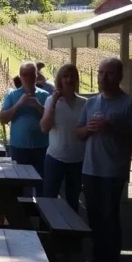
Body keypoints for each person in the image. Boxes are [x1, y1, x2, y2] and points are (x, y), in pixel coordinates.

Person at [75, 58, 132, 262]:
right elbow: (79, 133)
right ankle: (97, 258)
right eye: (101, 73)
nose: (104, 78)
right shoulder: (91, 103)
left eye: (110, 73)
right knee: (93, 216)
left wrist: (112, 129)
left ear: (120, 76)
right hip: (90, 168)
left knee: (110, 217)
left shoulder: (129, 104)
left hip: (113, 170)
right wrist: (87, 129)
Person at [39, 64, 86, 210]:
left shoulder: (85, 103)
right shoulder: (50, 101)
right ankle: (47, 231)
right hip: (55, 158)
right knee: (49, 198)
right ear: (60, 80)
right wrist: (53, 101)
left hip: (77, 160)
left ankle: (71, 232)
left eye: (72, 76)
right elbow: (45, 128)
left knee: (73, 201)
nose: (69, 79)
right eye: (65, 76)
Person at [0, 62, 50, 194]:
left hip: (41, 147)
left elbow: (52, 121)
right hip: (18, 148)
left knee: (41, 184)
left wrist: (38, 106)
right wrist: (19, 104)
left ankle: (39, 212)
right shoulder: (12, 95)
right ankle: (20, 212)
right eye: (24, 75)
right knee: (18, 184)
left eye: (31, 74)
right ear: (20, 77)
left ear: (36, 75)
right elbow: (3, 119)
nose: (27, 78)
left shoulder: (44, 95)